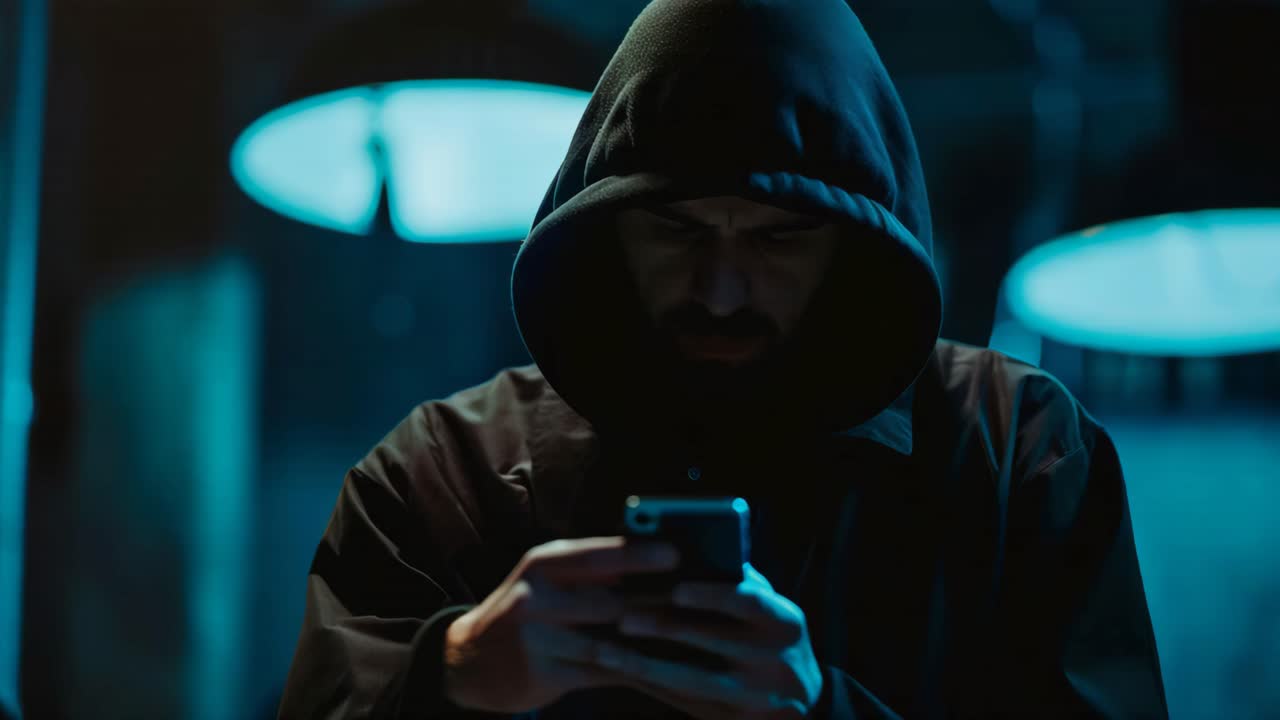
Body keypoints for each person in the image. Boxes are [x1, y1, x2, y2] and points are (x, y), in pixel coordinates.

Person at [276, 0, 1169, 717]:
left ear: (854, 251)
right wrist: (453, 671)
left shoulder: (1016, 454)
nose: (722, 290)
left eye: (781, 238)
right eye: (674, 228)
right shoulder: (444, 472)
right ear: (606, 230)